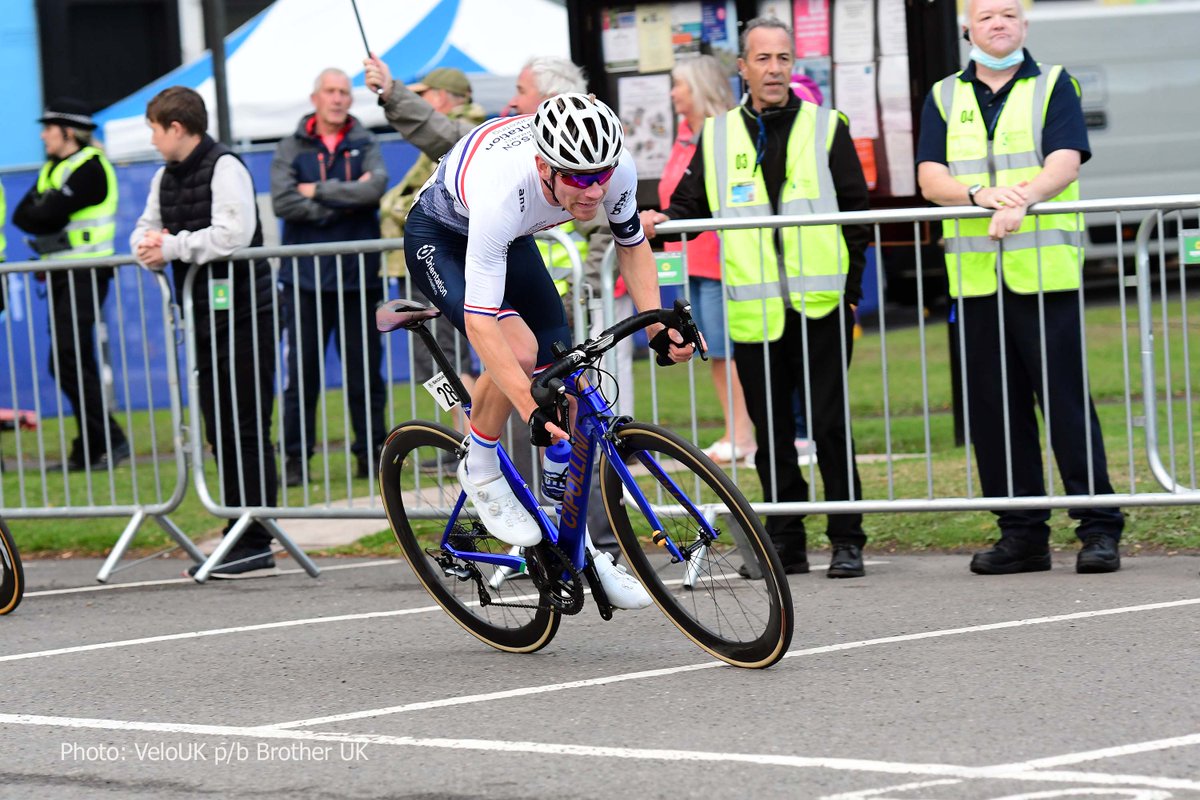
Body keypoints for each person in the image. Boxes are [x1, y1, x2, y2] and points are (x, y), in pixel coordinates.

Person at [401, 93, 698, 609]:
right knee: (519, 351)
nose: (594, 190)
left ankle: (577, 551)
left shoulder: (614, 169)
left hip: (512, 237)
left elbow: (632, 246)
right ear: (545, 166)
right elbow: (481, 324)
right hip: (442, 237)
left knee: (570, 373)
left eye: (601, 175)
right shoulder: (503, 189)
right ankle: (481, 464)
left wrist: (656, 325)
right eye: (579, 179)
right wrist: (527, 405)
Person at [641, 16, 871, 579]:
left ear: (793, 65)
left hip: (821, 306)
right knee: (770, 432)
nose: (774, 69)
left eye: (783, 58)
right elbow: (690, 208)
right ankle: (788, 543)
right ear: (742, 68)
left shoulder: (826, 126)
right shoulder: (718, 135)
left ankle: (847, 540)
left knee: (829, 424)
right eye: (762, 59)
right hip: (754, 311)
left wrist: (851, 294)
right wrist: (660, 221)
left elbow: (857, 218)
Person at [916, 0, 1124, 575]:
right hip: (976, 281)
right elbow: (930, 177)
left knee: (1066, 405)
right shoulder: (943, 95)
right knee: (994, 414)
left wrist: (1022, 199)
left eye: (1009, 13)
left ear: (1025, 25)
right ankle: (1023, 534)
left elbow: (1065, 162)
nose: (999, 23)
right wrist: (979, 195)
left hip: (1044, 276)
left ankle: (1099, 529)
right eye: (987, 16)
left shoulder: (1054, 85)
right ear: (968, 28)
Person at [131, 86, 279, 579]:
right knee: (219, 428)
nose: (152, 139)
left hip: (247, 312)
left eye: (154, 129)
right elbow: (144, 229)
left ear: (176, 128)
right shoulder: (164, 177)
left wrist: (170, 247)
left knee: (246, 424)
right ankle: (238, 531)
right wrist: (147, 247)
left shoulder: (225, 167)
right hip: (202, 317)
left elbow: (232, 235)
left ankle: (256, 538)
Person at [271, 68, 388, 486]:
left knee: (365, 376)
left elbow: (374, 189)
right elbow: (283, 201)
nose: (338, 98)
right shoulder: (290, 145)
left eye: (344, 92)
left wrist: (317, 190)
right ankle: (295, 458)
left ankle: (371, 456)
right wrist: (345, 199)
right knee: (301, 377)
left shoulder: (365, 140)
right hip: (304, 282)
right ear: (315, 98)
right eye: (330, 91)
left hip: (359, 280)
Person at [649, 54, 755, 468]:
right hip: (689, 260)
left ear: (699, 88)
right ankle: (736, 431)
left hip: (718, 260)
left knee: (724, 351)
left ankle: (742, 435)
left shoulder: (722, 134)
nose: (673, 93)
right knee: (712, 349)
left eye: (680, 84)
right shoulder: (684, 137)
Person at [12, 99, 129, 472]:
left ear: (68, 132)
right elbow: (23, 217)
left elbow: (45, 215)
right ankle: (99, 443)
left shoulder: (90, 167)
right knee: (67, 361)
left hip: (86, 272)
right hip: (62, 273)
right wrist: (46, 211)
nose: (43, 136)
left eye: (48, 128)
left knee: (69, 358)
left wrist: (46, 210)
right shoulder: (54, 169)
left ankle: (104, 443)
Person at [379, 66, 486, 430]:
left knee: (445, 358)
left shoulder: (456, 135)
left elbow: (422, 199)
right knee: (439, 361)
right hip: (434, 260)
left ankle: (475, 439)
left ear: (442, 96)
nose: (420, 102)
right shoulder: (463, 133)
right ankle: (469, 437)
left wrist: (392, 207)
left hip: (436, 260)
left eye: (424, 95)